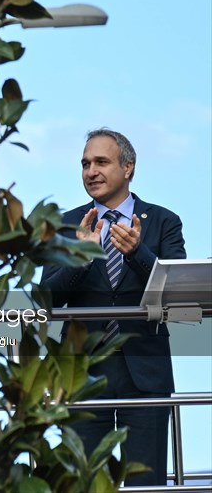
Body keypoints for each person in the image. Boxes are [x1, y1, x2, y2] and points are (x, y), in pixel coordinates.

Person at [42, 128, 185, 486]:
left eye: (101, 162)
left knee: (146, 484)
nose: (91, 171)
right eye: (85, 164)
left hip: (146, 373)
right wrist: (82, 257)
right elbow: (45, 298)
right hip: (82, 375)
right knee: (85, 483)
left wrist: (139, 254)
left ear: (128, 167)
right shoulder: (63, 225)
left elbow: (178, 295)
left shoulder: (164, 221)